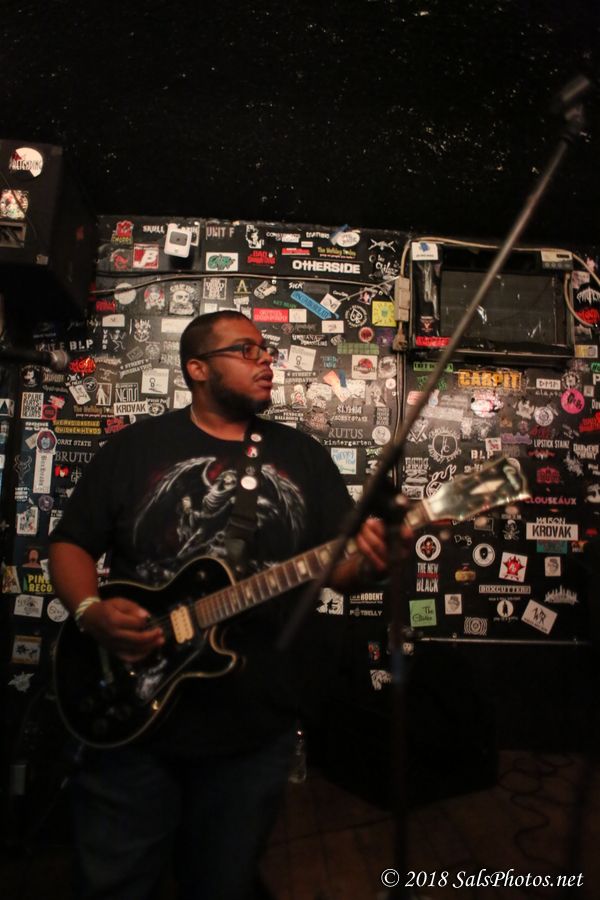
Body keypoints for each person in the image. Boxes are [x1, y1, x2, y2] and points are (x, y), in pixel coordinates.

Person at [49, 310, 388, 900]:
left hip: (252, 728)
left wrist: (376, 560)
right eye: (246, 349)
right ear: (198, 368)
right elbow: (71, 543)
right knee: (112, 882)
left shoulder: (304, 457)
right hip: (130, 714)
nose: (266, 359)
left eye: (266, 349)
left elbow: (340, 571)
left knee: (223, 884)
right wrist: (89, 613)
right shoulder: (135, 448)